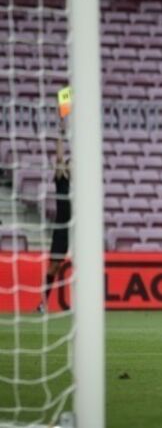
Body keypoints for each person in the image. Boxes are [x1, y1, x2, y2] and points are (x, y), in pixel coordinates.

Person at [37, 112, 70, 313]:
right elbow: (59, 157)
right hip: (62, 228)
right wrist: (61, 133)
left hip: (76, 228)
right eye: (69, 163)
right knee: (54, 267)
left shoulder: (81, 185)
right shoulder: (61, 180)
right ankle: (43, 303)